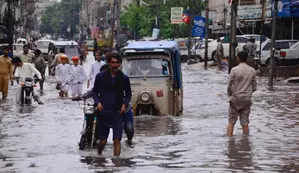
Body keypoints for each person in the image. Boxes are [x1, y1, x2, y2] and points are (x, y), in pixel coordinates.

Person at [92, 53, 131, 156]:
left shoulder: (124, 78)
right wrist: (98, 103)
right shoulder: (100, 76)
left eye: (117, 63)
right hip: (103, 112)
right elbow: (94, 91)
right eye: (113, 62)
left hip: (117, 113)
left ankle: (117, 164)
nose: (115, 65)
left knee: (117, 140)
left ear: (120, 64)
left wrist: (124, 104)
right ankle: (99, 155)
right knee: (103, 141)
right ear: (109, 63)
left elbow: (128, 95)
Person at [227, 51, 257, 137]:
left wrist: (230, 95)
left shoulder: (234, 70)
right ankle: (245, 142)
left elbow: (229, 86)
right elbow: (254, 87)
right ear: (247, 58)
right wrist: (247, 93)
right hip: (246, 99)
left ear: (238, 58)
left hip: (235, 98)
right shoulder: (252, 70)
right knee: (245, 122)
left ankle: (229, 142)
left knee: (231, 121)